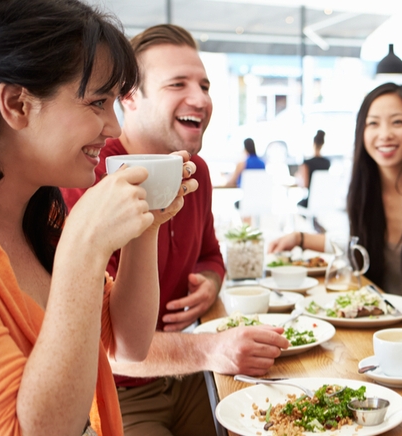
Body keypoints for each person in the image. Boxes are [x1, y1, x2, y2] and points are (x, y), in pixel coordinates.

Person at [0, 0, 196, 434]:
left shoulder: (42, 216)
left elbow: (128, 343)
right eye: (98, 102)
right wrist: (83, 251)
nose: (114, 127)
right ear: (17, 104)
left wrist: (148, 223)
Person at [61, 24, 289, 436]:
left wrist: (210, 281)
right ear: (128, 97)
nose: (200, 99)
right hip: (120, 389)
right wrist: (212, 348)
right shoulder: (87, 175)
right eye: (178, 84)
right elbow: (104, 346)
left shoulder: (194, 170)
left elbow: (211, 255)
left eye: (205, 85)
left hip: (190, 373)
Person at [269, 83, 402, 331]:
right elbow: (355, 246)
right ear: (362, 131)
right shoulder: (361, 187)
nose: (385, 134)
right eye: (373, 123)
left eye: (397, 122)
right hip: (377, 322)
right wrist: (300, 238)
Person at [296, 129, 331, 208]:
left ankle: (313, 220)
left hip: (310, 201)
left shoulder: (306, 163)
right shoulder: (327, 163)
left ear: (313, 143)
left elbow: (304, 185)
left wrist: (298, 178)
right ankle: (314, 220)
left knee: (298, 205)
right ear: (323, 144)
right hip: (324, 200)